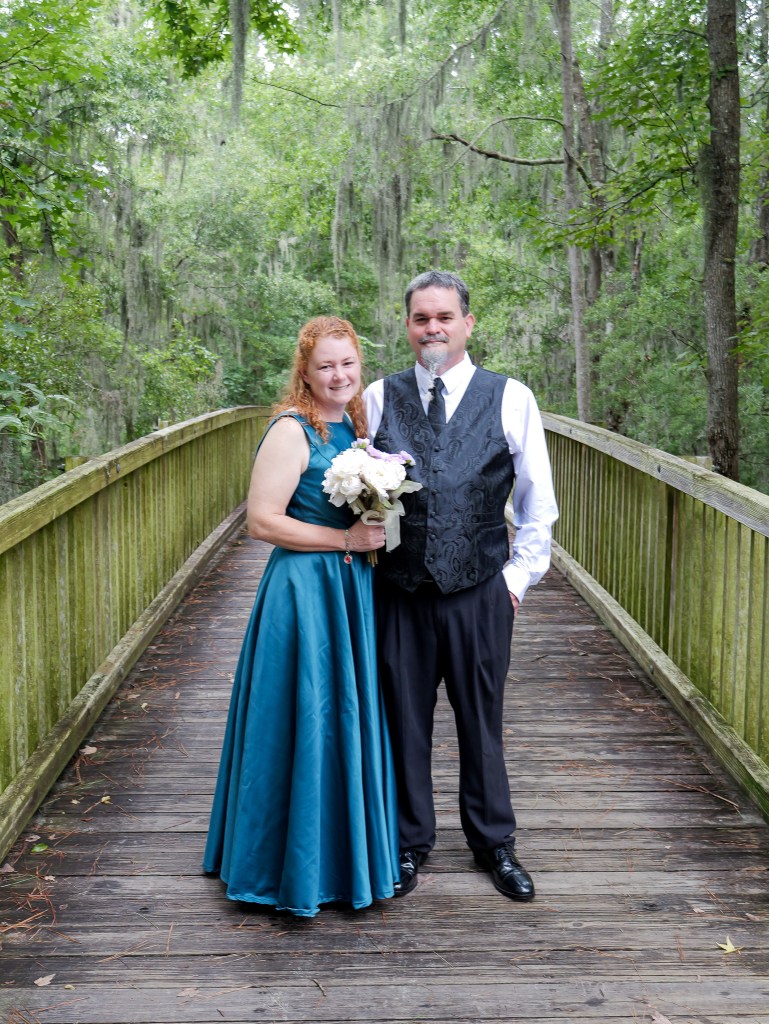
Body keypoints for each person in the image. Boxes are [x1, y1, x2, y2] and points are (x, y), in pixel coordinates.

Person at [363, 270, 558, 902]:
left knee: (482, 719)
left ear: (467, 324)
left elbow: (537, 503)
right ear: (408, 326)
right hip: (400, 590)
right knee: (403, 720)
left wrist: (516, 580)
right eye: (422, 319)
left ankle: (493, 841)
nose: (433, 329)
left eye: (444, 317)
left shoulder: (511, 397)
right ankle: (407, 842)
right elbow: (357, 491)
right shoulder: (377, 397)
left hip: (479, 588)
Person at [203, 315, 399, 917]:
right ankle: (279, 868)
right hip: (305, 591)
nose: (339, 375)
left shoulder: (355, 427)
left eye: (348, 364)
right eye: (326, 366)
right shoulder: (292, 430)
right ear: (305, 373)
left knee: (341, 717)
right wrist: (345, 542)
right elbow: (261, 521)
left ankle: (341, 858)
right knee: (302, 716)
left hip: (349, 590)